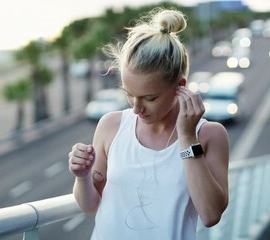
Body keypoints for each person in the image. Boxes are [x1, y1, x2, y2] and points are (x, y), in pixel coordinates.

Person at [68, 8, 230, 240]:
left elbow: (210, 214)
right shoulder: (111, 125)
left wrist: (186, 137)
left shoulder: (209, 135)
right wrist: (82, 176)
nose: (136, 108)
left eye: (149, 98)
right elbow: (92, 207)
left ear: (180, 86)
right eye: (129, 94)